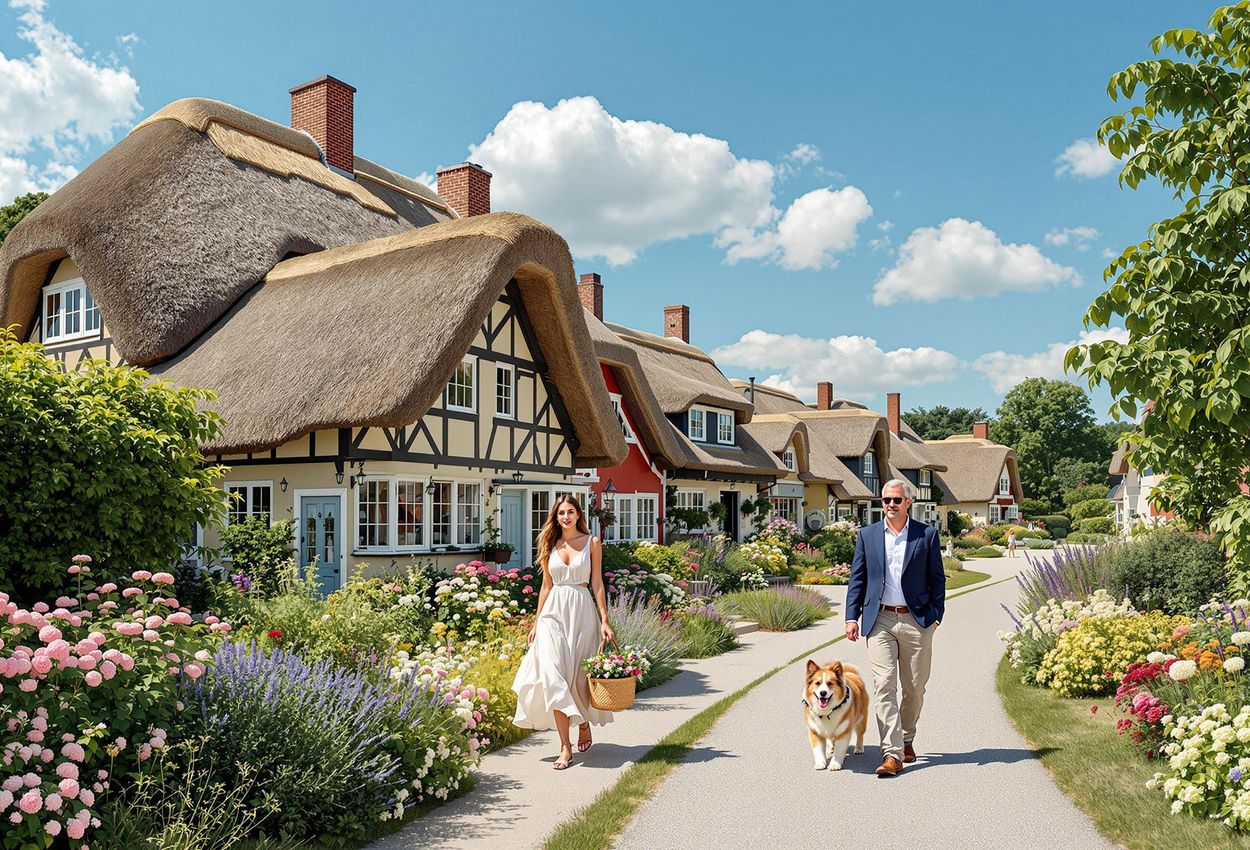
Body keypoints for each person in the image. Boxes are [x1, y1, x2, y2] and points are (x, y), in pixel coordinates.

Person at [844, 479, 946, 777]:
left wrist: (936, 616)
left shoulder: (926, 535)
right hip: (880, 620)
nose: (890, 505)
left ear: (908, 503)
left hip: (917, 620)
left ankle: (907, 737)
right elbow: (858, 579)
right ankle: (891, 753)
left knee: (914, 688)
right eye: (886, 500)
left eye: (896, 500)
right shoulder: (868, 535)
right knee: (884, 684)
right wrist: (851, 617)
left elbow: (937, 579)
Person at [511, 494, 615, 770]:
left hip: (582, 611)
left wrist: (605, 620)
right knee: (553, 675)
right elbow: (546, 586)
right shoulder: (550, 544)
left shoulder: (592, 543)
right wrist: (536, 623)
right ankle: (565, 746)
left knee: (579, 678)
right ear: (555, 517)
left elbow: (597, 583)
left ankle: (583, 723)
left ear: (578, 514)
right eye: (561, 513)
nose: (565, 517)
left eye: (570, 512)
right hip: (552, 614)